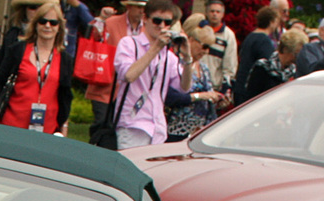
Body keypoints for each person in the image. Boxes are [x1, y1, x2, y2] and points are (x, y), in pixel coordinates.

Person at [111, 0, 189, 149]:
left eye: (167, 23)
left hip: (157, 127)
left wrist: (187, 59)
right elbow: (129, 75)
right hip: (132, 125)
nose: (161, 26)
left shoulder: (168, 55)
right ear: (145, 19)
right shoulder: (129, 44)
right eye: (157, 21)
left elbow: (184, 87)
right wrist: (155, 48)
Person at [0, 1, 70, 132]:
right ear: (35, 24)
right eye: (42, 21)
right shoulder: (17, 50)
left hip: (46, 129)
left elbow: (65, 97)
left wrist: (64, 126)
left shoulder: (65, 59)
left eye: (53, 22)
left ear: (59, 27)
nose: (48, 26)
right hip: (11, 125)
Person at [84, 0, 141, 147]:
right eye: (139, 7)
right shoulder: (111, 22)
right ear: (129, 6)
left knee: (123, 130)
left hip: (133, 90)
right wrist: (101, 19)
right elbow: (93, 37)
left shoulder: (148, 28)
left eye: (145, 8)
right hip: (106, 84)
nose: (142, 11)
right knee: (101, 125)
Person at [164, 18, 222, 142]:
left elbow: (208, 95)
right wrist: (199, 96)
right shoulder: (175, 63)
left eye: (209, 48)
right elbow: (169, 97)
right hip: (177, 130)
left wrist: (217, 99)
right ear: (190, 40)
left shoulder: (204, 68)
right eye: (204, 46)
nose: (206, 51)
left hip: (200, 132)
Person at [230, 3, 275, 104]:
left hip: (240, 87)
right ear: (272, 22)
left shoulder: (250, 36)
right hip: (251, 91)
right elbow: (268, 65)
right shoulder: (264, 41)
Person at [242, 24, 300, 100]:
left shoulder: (294, 71)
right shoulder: (263, 67)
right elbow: (251, 97)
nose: (296, 59)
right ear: (285, 49)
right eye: (295, 54)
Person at [197, 0, 234, 91]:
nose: (215, 14)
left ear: (223, 14)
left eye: (218, 12)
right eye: (212, 11)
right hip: (195, 83)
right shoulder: (198, 31)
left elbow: (230, 64)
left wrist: (226, 87)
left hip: (214, 87)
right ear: (206, 12)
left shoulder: (228, 36)